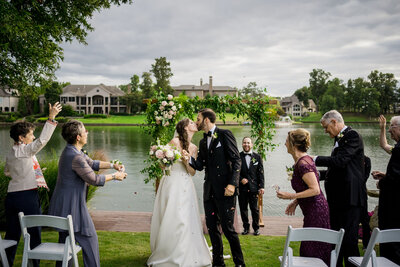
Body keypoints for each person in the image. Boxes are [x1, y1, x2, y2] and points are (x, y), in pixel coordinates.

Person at [48, 120, 127, 267]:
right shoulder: (75, 156)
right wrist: (116, 176)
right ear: (78, 137)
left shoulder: (71, 151)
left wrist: (112, 165)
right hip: (73, 207)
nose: (87, 133)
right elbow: (94, 179)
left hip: (64, 205)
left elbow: (92, 163)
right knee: (90, 240)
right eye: (85, 131)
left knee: (66, 243)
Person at [184, 108, 246, 267]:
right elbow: (200, 165)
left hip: (226, 190)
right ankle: (218, 263)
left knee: (228, 229)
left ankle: (239, 263)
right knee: (212, 228)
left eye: (198, 119)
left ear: (206, 120)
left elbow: (237, 160)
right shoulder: (203, 141)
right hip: (209, 191)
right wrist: (188, 158)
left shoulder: (225, 134)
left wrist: (232, 184)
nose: (196, 122)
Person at [147, 118, 212, 267]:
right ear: (184, 128)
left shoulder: (194, 148)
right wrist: (163, 158)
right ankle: (169, 251)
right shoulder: (175, 142)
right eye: (191, 123)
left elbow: (193, 172)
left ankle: (186, 250)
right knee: (173, 215)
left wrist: (186, 161)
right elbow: (163, 165)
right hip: (172, 183)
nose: (195, 124)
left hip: (186, 183)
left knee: (186, 217)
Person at [4, 102, 62, 267]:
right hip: (27, 196)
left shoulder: (11, 153)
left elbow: (7, 172)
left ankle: (6, 262)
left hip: (12, 197)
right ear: (21, 138)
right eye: (30, 135)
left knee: (12, 233)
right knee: (34, 232)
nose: (33, 138)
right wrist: (51, 118)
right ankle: (34, 265)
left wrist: (27, 170)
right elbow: (43, 140)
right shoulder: (26, 150)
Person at [314, 110, 366, 267]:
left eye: (326, 127)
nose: (325, 131)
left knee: (349, 241)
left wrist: (313, 159)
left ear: (334, 122)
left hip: (350, 199)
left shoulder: (352, 136)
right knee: (336, 240)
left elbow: (341, 161)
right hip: (338, 200)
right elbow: (336, 169)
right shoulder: (338, 138)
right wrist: (315, 175)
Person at [277, 129, 331, 265]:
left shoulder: (303, 163)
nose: (285, 144)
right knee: (311, 248)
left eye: (286, 141)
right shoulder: (302, 161)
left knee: (312, 251)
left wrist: (291, 196)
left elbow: (315, 189)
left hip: (316, 212)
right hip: (312, 210)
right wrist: (296, 201)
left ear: (293, 145)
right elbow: (308, 187)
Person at [370, 115, 400, 264]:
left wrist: (383, 183)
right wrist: (386, 175)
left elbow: (396, 178)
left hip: (394, 209)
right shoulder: (398, 148)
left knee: (391, 246)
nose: (389, 130)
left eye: (392, 127)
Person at [238, 137, 264, 236]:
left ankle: (256, 228)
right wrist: (240, 179)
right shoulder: (238, 156)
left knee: (255, 209)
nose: (246, 144)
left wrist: (261, 186)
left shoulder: (257, 157)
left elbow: (260, 173)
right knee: (243, 209)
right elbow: (234, 171)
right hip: (242, 188)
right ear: (242, 144)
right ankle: (246, 228)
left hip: (254, 188)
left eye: (248, 143)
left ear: (251, 144)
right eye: (244, 143)